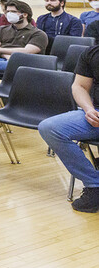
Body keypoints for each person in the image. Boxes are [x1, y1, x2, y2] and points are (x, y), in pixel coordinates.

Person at [39, 45, 99, 212]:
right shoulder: (91, 53)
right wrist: (89, 109)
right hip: (96, 113)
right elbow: (79, 86)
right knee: (50, 127)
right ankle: (94, 184)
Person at [0, 0, 48, 74]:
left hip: (24, 64)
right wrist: (6, 56)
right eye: (7, 12)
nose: (9, 14)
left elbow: (26, 52)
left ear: (25, 14)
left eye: (13, 11)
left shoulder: (38, 34)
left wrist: (0, 51)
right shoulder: (1, 29)